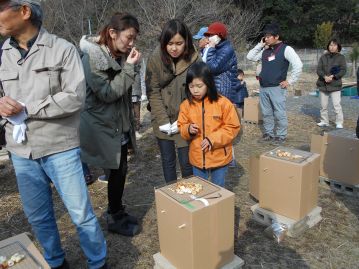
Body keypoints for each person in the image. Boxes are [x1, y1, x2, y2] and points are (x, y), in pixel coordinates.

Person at [0, 1, 107, 268]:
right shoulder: (3, 53)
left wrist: (27, 109)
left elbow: (75, 98)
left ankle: (98, 262)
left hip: (59, 147)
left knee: (80, 214)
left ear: (24, 11)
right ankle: (56, 261)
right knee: (38, 216)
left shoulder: (62, 49)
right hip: (21, 150)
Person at [79, 13, 141, 237]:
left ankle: (117, 210)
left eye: (134, 39)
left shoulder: (118, 54)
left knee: (120, 170)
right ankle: (114, 215)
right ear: (113, 33)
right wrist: (130, 68)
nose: (132, 43)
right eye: (129, 38)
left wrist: (130, 66)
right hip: (102, 126)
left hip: (117, 124)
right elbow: (107, 93)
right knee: (115, 170)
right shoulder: (92, 58)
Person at [146, 19, 200, 183]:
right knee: (168, 161)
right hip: (162, 115)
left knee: (186, 161)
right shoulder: (155, 59)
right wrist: (162, 121)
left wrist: (183, 120)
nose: (174, 48)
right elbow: (152, 91)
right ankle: (171, 196)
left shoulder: (195, 59)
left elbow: (198, 91)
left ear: (186, 41)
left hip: (185, 119)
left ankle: (190, 195)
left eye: (179, 43)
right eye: (170, 43)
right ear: (164, 42)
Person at [177, 62, 240, 187]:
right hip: (197, 158)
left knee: (218, 190)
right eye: (191, 86)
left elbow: (233, 127)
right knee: (200, 190)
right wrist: (188, 129)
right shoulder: (186, 105)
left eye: (199, 86)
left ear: (208, 84)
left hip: (219, 157)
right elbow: (181, 126)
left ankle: (218, 206)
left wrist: (213, 139)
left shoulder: (223, 103)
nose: (195, 90)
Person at [247, 23, 303, 144]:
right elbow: (250, 56)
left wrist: (290, 81)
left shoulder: (286, 49)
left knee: (279, 112)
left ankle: (281, 135)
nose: (266, 39)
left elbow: (298, 65)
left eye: (268, 36)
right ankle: (268, 134)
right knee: (266, 112)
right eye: (265, 37)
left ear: (276, 36)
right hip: (263, 87)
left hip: (277, 87)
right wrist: (260, 45)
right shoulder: (265, 50)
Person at [203, 22, 242, 105]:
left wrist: (210, 50)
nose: (209, 38)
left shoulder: (227, 50)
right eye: (208, 36)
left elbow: (213, 67)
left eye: (211, 35)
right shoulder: (216, 48)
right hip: (215, 88)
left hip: (224, 90)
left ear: (219, 36)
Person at [316, 39, 346, 129]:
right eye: (330, 45)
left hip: (335, 84)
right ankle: (324, 121)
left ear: (338, 47)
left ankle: (339, 122)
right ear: (328, 46)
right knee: (323, 105)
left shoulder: (341, 58)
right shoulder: (323, 57)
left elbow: (343, 70)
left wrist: (334, 76)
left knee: (337, 105)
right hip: (323, 84)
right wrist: (324, 77)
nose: (332, 47)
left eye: (334, 45)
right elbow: (319, 70)